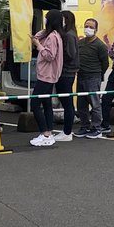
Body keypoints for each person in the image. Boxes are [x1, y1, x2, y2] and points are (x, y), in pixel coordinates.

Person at [30, 10, 63, 147]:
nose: (44, 20)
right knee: (46, 104)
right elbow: (38, 36)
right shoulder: (53, 35)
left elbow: (50, 55)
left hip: (46, 75)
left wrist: (38, 45)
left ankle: (45, 133)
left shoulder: (53, 37)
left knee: (35, 104)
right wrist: (37, 39)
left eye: (46, 18)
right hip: (48, 75)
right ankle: (48, 132)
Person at [74, 17, 109, 138]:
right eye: (86, 26)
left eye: (91, 27)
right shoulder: (80, 43)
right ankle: (84, 126)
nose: (88, 29)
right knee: (81, 104)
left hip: (93, 77)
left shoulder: (100, 45)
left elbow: (105, 63)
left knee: (95, 104)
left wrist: (98, 74)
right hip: (81, 76)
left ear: (96, 30)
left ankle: (96, 128)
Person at [51, 11, 79, 141]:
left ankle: (67, 132)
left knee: (67, 102)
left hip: (66, 72)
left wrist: (59, 58)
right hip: (67, 71)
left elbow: (71, 54)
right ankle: (66, 131)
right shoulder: (70, 34)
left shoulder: (68, 35)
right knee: (66, 101)